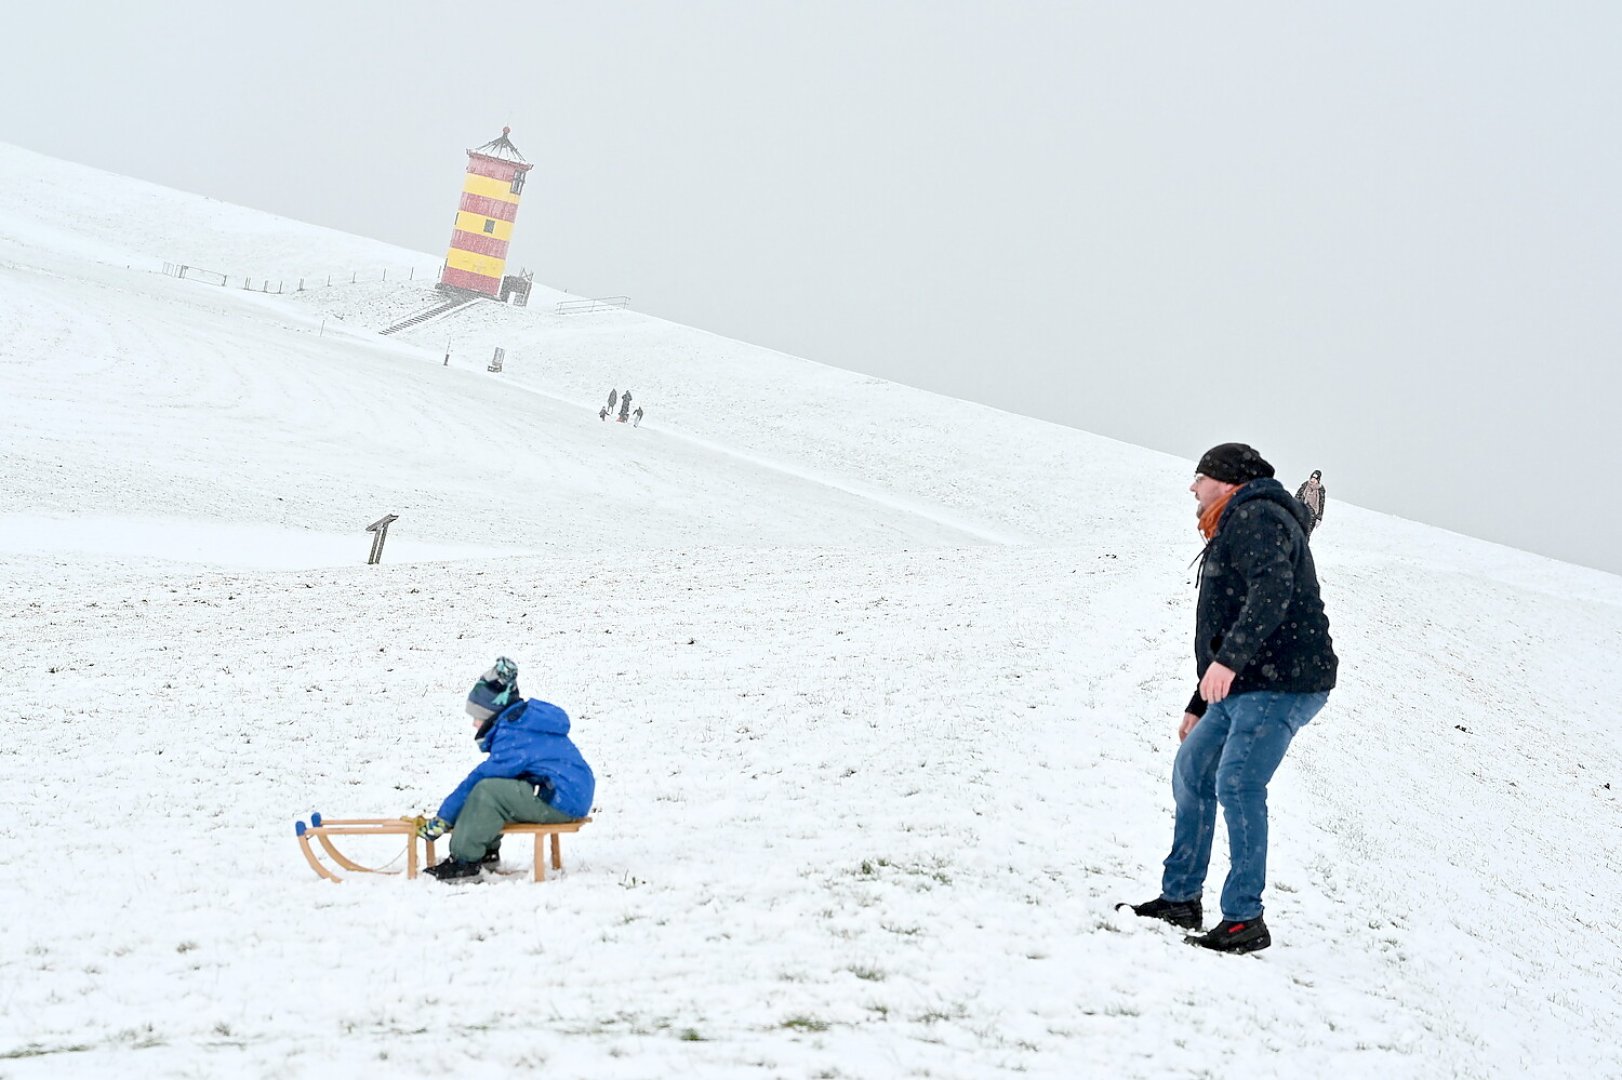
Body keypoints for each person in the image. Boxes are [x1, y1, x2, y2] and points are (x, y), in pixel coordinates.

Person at [1119, 443, 1337, 952]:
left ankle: (1243, 920)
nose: (1192, 488)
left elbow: (1271, 591)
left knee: (1237, 782)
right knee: (1193, 771)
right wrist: (1200, 701)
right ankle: (1180, 899)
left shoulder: (1257, 517)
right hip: (1246, 682)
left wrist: (1230, 662)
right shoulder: (1238, 521)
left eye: (1199, 478)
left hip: (1281, 681)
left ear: (1227, 481)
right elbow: (1226, 621)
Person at [417, 658, 596, 882]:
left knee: (488, 791)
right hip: (568, 794)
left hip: (562, 800)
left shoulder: (515, 734)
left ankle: (465, 862)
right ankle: (486, 852)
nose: (474, 724)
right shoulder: (523, 722)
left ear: (491, 714)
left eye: (478, 717)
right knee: (499, 790)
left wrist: (444, 818)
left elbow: (481, 777)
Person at [1294, 470, 1326, 537]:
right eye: (1312, 477)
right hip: (1301, 511)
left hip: (1312, 515)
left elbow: (1321, 504)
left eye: (1315, 478)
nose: (1313, 480)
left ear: (1318, 480)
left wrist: (1319, 518)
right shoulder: (1305, 486)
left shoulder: (1320, 490)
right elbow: (1298, 496)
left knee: (1306, 534)